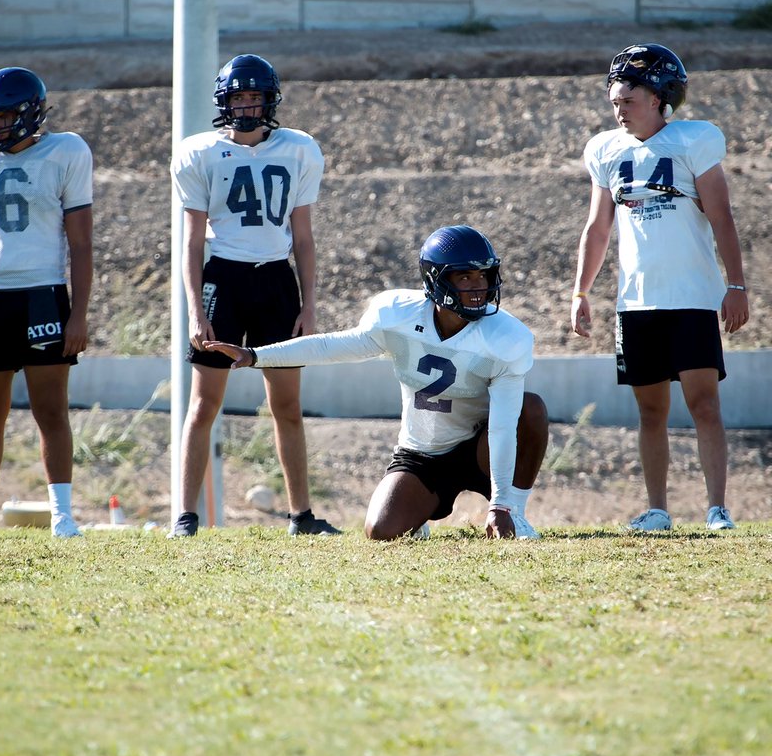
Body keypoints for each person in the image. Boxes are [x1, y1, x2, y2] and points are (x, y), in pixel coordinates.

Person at [204, 224, 549, 541]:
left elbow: (503, 426)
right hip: (424, 452)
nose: (478, 287)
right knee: (381, 531)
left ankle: (517, 513)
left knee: (529, 408)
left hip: (480, 443)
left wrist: (502, 505)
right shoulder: (398, 316)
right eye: (465, 276)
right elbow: (330, 347)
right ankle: (419, 515)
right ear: (436, 280)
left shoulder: (506, 336)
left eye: (483, 275)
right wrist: (255, 355)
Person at [571, 42, 750, 532]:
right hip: (637, 301)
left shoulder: (694, 141)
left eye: (628, 101)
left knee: (704, 405)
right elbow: (597, 229)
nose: (619, 111)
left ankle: (717, 508)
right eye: (614, 102)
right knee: (651, 411)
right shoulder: (606, 150)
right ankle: (657, 509)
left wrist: (736, 284)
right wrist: (581, 293)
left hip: (691, 296)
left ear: (657, 98)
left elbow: (722, 217)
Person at [170, 52, 338, 538]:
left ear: (270, 101)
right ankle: (184, 516)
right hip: (223, 279)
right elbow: (192, 242)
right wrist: (195, 310)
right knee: (204, 404)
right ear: (225, 102)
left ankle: (301, 516)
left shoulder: (298, 148)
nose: (246, 106)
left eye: (254, 97)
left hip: (276, 282)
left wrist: (309, 304)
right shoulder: (199, 152)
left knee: (287, 405)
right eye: (238, 97)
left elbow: (303, 237)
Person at [0, 67, 93, 538]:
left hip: (43, 294)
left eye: (5, 116)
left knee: (51, 410)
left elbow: (81, 244)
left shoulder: (66, 151)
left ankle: (62, 515)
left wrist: (78, 313)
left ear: (29, 114)